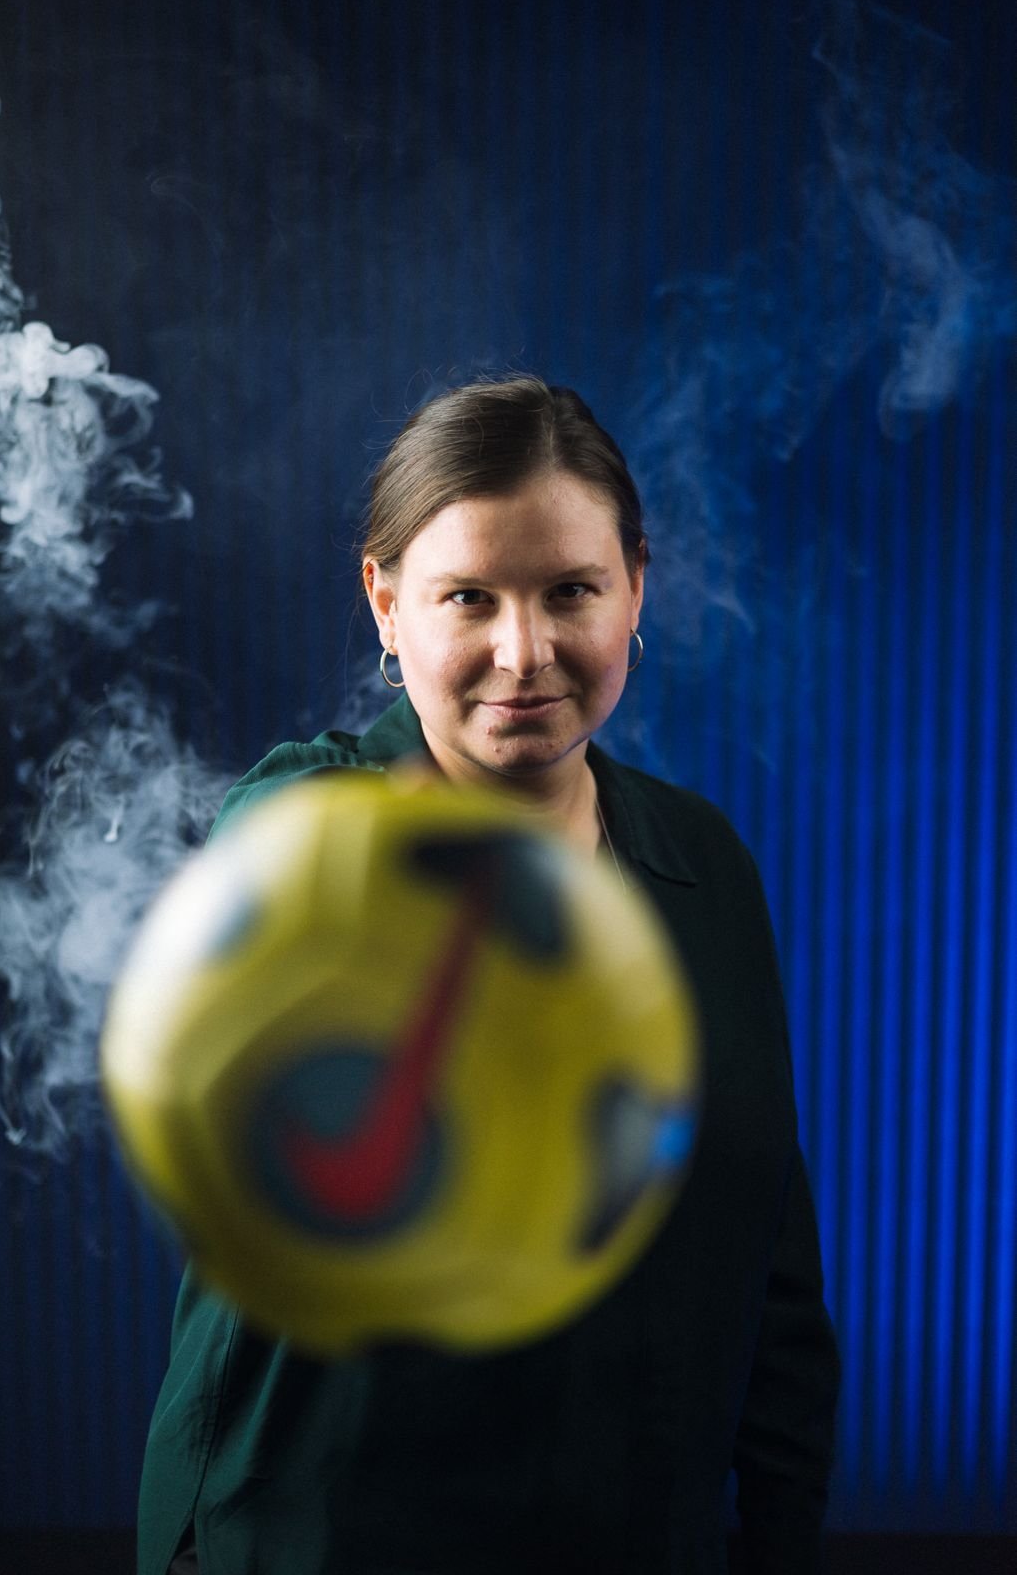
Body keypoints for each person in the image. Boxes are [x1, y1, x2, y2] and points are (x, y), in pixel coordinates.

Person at [137, 376, 840, 1575]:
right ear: (385, 603)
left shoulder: (700, 864)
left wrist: (776, 1533)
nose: (525, 652)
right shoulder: (316, 819)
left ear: (635, 593)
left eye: (572, 590)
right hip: (320, 1536)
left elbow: (767, 1257)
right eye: (468, 596)